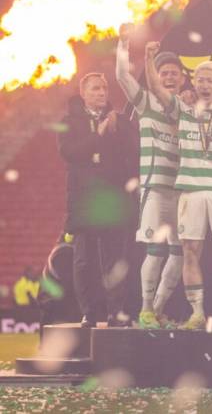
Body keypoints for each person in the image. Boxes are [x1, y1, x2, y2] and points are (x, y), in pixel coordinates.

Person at [145, 43, 212, 330]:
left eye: (211, 79)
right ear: (193, 81)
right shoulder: (182, 109)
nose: (205, 84)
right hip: (190, 192)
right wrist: (147, 57)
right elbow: (156, 88)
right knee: (190, 251)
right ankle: (196, 313)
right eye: (201, 79)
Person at [116, 23, 186, 329]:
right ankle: (145, 308)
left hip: (183, 190)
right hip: (156, 188)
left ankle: (156, 309)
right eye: (164, 72)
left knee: (181, 253)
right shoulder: (145, 103)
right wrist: (123, 43)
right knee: (155, 252)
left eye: (174, 73)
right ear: (157, 76)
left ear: (183, 78)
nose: (169, 77)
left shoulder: (188, 109)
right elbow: (121, 76)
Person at [58, 72, 138, 328]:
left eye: (104, 88)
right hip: (84, 200)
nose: (101, 93)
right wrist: (98, 135)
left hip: (112, 199)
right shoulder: (69, 121)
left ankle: (116, 311)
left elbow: (133, 151)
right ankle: (89, 312)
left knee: (114, 258)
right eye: (95, 89)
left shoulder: (119, 120)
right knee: (84, 259)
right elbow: (69, 153)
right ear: (83, 93)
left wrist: (118, 130)